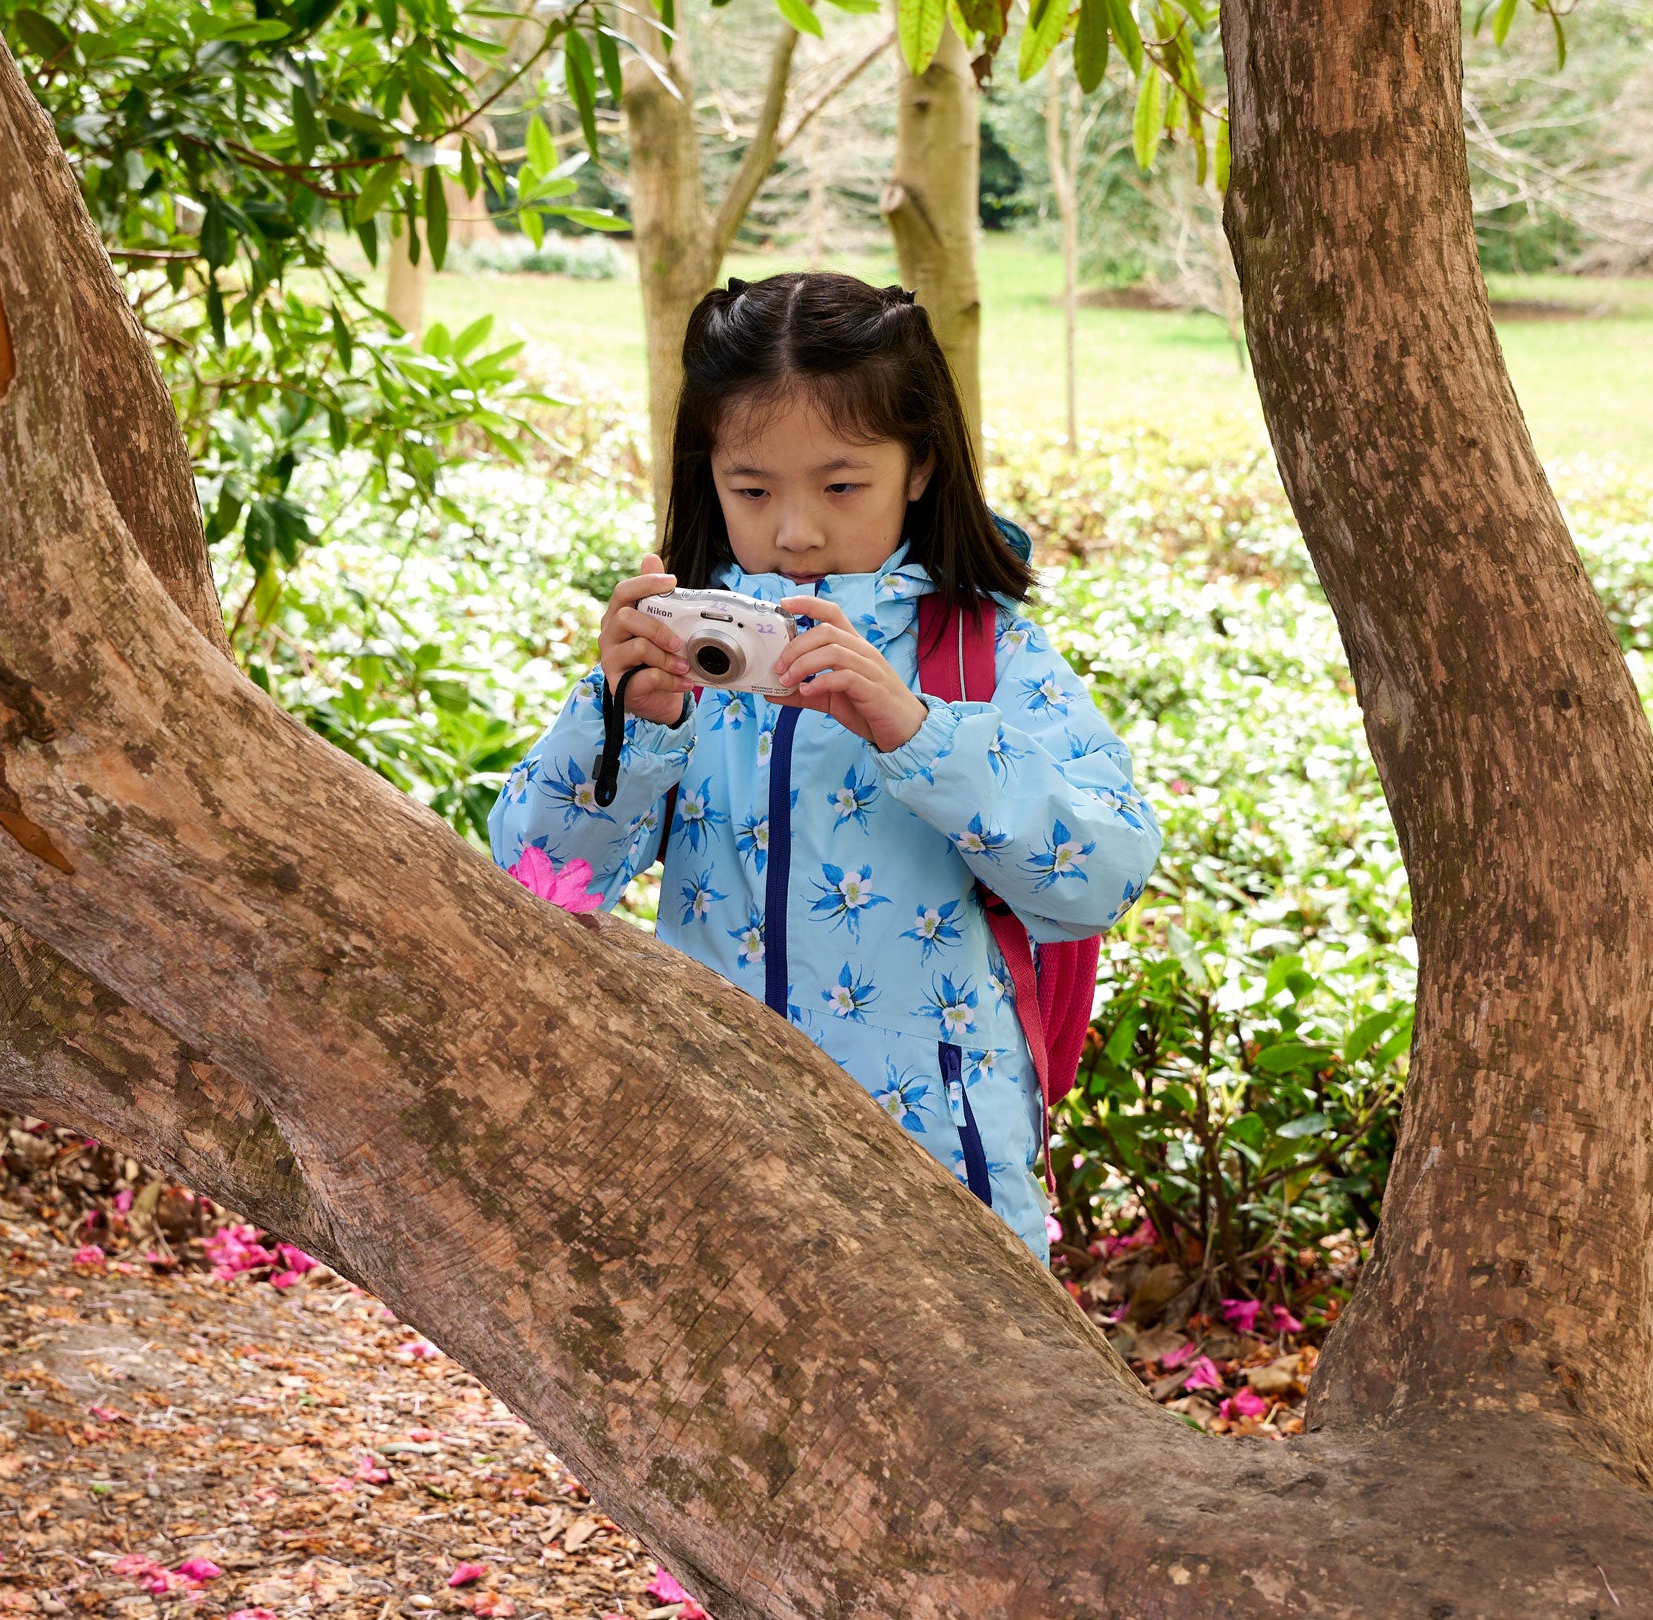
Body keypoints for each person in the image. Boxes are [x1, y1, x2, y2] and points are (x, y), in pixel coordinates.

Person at [487, 272, 1161, 1262]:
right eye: (752, 489)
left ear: (921, 466)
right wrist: (625, 726)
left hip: (939, 1188)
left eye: (842, 486)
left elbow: (1105, 876)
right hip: (711, 1166)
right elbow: (541, 889)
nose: (795, 529)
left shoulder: (989, 654)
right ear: (706, 473)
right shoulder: (681, 655)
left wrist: (916, 729)